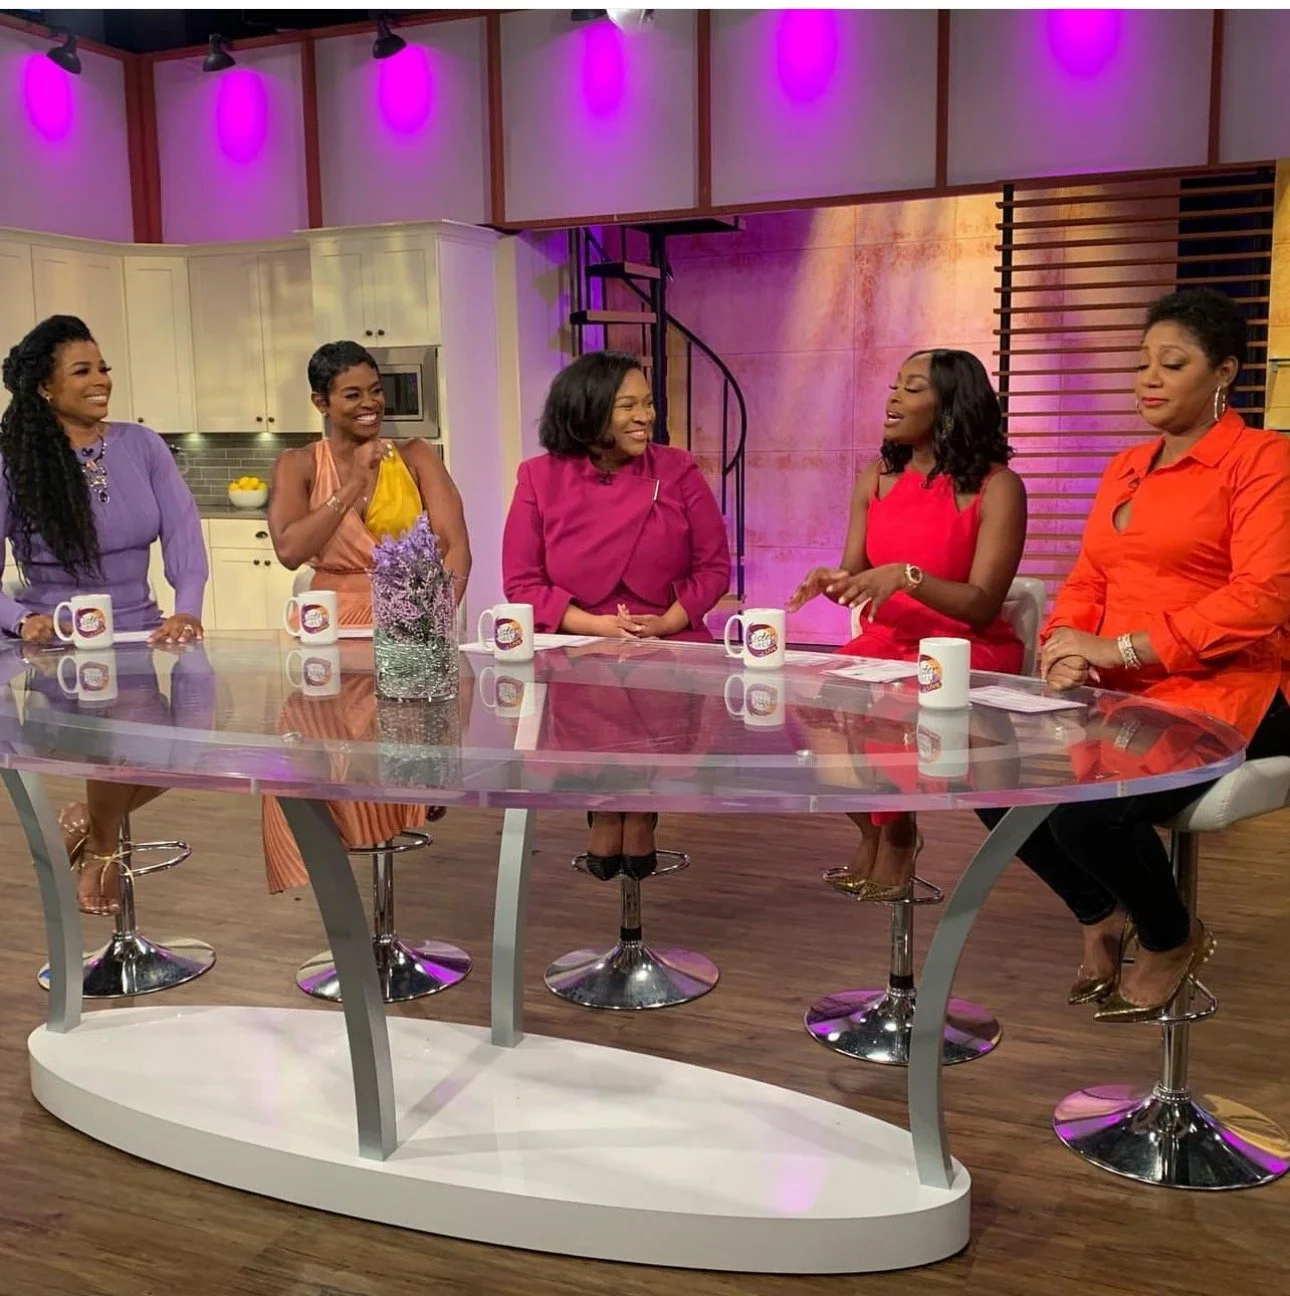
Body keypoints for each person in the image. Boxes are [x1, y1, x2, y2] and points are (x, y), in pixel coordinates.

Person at [993, 287, 1290, 1022]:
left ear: (1223, 373)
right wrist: (1066, 645)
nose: (1148, 379)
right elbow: (1092, 575)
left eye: (1172, 363)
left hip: (1229, 689)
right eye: (1142, 364)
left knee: (1083, 817)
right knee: (988, 772)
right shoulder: (1127, 464)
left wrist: (1118, 646)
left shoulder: (1263, 461)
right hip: (1121, 689)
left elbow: (1261, 598)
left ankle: (1169, 936)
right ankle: (1099, 914)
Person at [787, 349, 1026, 901]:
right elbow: (857, 569)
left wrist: (909, 577)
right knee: (812, 705)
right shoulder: (876, 478)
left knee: (889, 705)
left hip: (959, 649)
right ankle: (878, 826)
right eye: (894, 385)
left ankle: (896, 837)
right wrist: (834, 578)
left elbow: (983, 605)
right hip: (884, 641)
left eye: (911, 388)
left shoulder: (998, 487)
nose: (892, 397)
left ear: (950, 405)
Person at [0, 315, 208, 915]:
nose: (101, 381)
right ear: (46, 387)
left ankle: (86, 824)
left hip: (143, 631)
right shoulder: (18, 461)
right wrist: (21, 618)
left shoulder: (139, 445)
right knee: (124, 739)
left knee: (187, 756)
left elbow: (183, 529)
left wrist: (187, 608)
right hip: (63, 652)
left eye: (103, 368)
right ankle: (103, 852)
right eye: (83, 371)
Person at [502, 350, 730, 877]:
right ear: (588, 412)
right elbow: (522, 583)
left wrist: (670, 621)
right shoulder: (539, 478)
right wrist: (594, 625)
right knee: (594, 693)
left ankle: (639, 814)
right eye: (627, 405)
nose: (645, 416)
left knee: (653, 696)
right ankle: (606, 811)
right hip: (578, 640)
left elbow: (714, 567)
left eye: (647, 403)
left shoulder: (677, 469)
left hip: (668, 638)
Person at [262, 340, 470, 891]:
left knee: (396, 779)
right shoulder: (299, 465)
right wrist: (351, 485)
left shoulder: (419, 456)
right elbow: (288, 549)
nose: (369, 404)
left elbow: (456, 548)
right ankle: (356, 925)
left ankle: (386, 915)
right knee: (328, 773)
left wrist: (429, 626)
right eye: (351, 394)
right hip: (328, 636)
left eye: (375, 391)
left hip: (408, 631)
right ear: (320, 402)